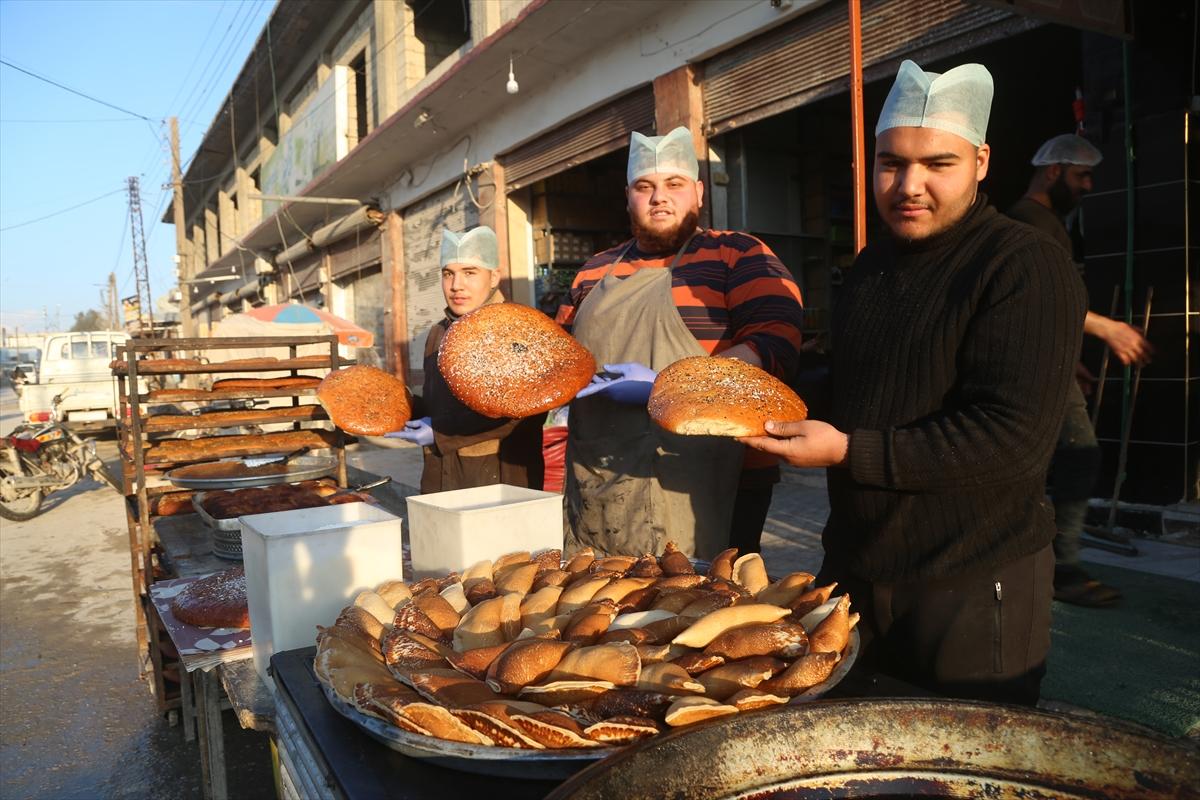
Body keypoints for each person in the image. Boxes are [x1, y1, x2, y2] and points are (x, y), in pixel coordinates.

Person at [741, 60, 1085, 706]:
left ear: (981, 161)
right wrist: (758, 389)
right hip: (859, 571)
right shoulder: (872, 266)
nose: (909, 185)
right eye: (891, 163)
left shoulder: (1024, 264)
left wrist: (847, 451)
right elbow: (857, 387)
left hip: (972, 582)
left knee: (959, 764)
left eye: (937, 164)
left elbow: (1010, 437)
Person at [556, 126, 805, 560]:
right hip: (603, 476)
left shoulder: (738, 255)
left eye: (674, 184)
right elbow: (557, 358)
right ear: (628, 195)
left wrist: (671, 387)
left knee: (704, 610)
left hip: (704, 477)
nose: (659, 197)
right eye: (644, 186)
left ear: (699, 193)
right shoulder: (591, 271)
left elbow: (776, 341)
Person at [1007, 134, 1153, 607]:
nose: (1089, 185)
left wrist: (1069, 363)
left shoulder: (1046, 223)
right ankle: (1061, 569)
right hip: (1029, 364)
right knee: (1077, 455)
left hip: (1046, 363)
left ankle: (1042, 561)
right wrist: (1109, 329)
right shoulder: (1030, 221)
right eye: (1081, 175)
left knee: (1051, 460)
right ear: (1054, 172)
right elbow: (1044, 298)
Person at [387, 226, 545, 493]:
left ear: (494, 276)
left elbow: (524, 413)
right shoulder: (438, 332)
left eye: (469, 273)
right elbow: (438, 403)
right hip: (440, 475)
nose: (456, 285)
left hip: (498, 477)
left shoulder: (519, 329)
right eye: (448, 274)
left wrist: (439, 432)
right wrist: (399, 408)